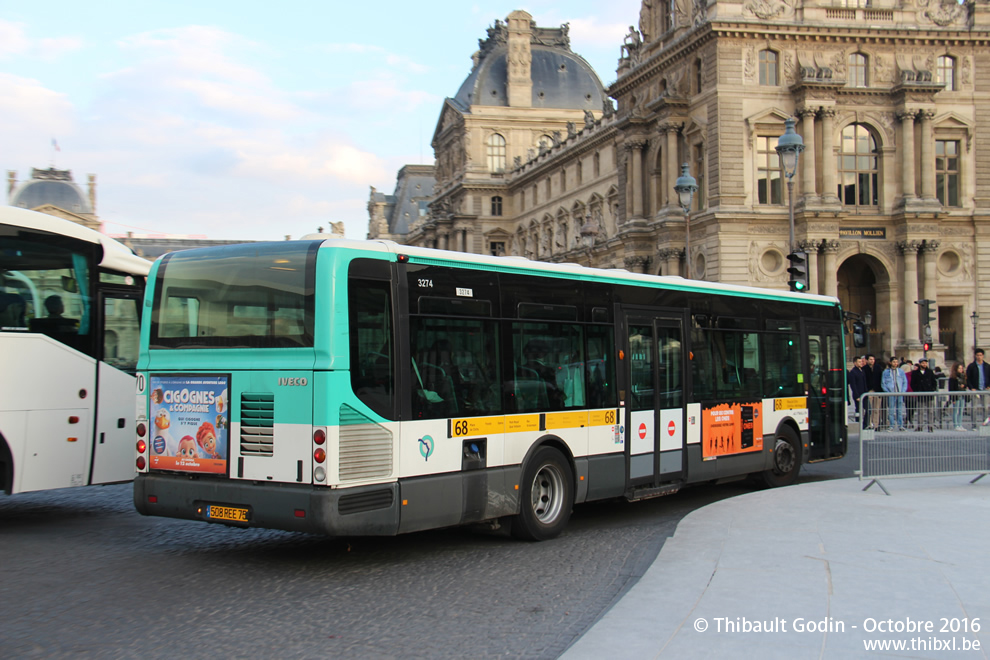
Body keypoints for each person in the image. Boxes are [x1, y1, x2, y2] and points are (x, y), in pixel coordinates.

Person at [910, 357, 938, 431]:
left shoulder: (930, 372)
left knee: (930, 411)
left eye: (925, 363)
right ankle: (920, 426)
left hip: (929, 393)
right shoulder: (915, 373)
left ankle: (930, 426)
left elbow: (934, 382)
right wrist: (916, 390)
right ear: (920, 364)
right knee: (920, 411)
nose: (924, 364)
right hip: (920, 393)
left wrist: (932, 389)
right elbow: (913, 383)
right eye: (923, 363)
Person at [881, 356, 908, 431]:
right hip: (891, 393)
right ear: (890, 362)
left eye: (896, 362)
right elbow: (883, 383)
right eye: (894, 362)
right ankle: (891, 425)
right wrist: (887, 392)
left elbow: (905, 382)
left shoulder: (901, 371)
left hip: (899, 393)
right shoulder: (886, 372)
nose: (895, 363)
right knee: (891, 410)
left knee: (899, 410)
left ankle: (900, 425)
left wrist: (903, 391)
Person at [966, 349, 990, 424]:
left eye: (980, 355)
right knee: (974, 408)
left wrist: (989, 385)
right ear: (975, 356)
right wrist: (971, 387)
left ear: (983, 356)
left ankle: (985, 423)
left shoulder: (987, 366)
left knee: (985, 407)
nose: (979, 357)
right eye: (977, 355)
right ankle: (974, 424)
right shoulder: (971, 366)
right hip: (975, 389)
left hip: (985, 389)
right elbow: (968, 378)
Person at [948, 361, 968, 431]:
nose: (961, 370)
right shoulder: (953, 378)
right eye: (959, 368)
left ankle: (960, 424)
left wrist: (964, 385)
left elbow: (966, 384)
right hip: (956, 396)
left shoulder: (963, 376)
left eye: (961, 368)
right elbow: (951, 389)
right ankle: (955, 425)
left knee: (961, 410)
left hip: (962, 395)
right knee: (955, 410)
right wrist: (952, 399)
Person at [847, 356, 867, 422]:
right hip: (858, 394)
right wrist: (856, 395)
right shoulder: (853, 372)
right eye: (859, 362)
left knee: (868, 409)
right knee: (858, 410)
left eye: (861, 361)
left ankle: (865, 423)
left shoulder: (862, 371)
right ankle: (858, 422)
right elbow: (853, 385)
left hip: (864, 393)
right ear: (855, 363)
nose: (861, 363)